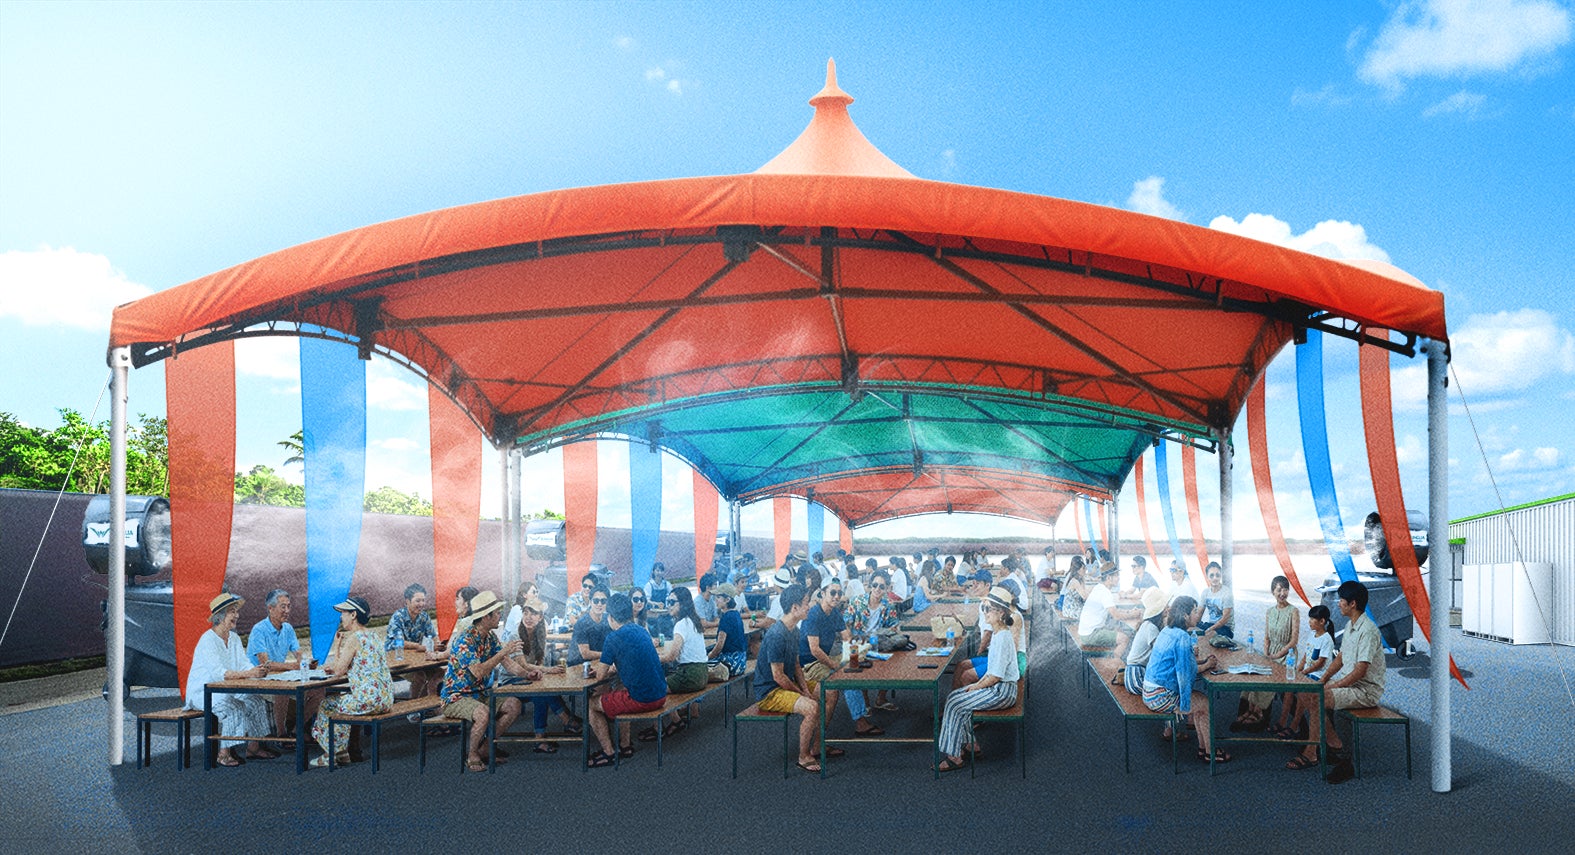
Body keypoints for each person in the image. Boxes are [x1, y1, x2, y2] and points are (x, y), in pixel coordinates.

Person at [1288, 581, 1385, 783]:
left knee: (1318, 697)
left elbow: (1360, 671)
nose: (1338, 603)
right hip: (1350, 684)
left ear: (1352, 603)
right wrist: (1323, 680)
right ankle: (1334, 742)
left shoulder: (1368, 631)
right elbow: (1340, 658)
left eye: (1341, 600)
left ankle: (1311, 753)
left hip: (1365, 690)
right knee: (1306, 691)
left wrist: (1332, 685)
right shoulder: (1351, 625)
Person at [438, 590, 528, 772]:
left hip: (480, 694)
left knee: (514, 705)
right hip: (456, 696)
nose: (499, 616)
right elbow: (478, 672)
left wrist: (528, 674)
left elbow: (509, 664)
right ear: (486, 617)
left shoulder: (490, 637)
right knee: (483, 713)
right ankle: (472, 755)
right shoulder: (465, 640)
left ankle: (485, 748)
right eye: (497, 613)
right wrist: (503, 652)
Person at [936, 586, 1021, 772]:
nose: (985, 612)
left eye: (988, 609)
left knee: (956, 702)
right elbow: (992, 673)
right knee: (956, 698)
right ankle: (970, 744)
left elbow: (995, 676)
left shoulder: (1003, 637)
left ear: (1001, 613)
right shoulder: (999, 633)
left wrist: (975, 687)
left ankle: (955, 756)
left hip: (1003, 692)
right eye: (984, 608)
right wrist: (976, 686)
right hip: (999, 687)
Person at [184, 592, 275, 766]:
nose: (237, 615)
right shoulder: (207, 640)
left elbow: (243, 664)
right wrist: (249, 674)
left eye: (236, 611)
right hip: (204, 692)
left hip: (226, 689)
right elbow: (219, 673)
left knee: (256, 701)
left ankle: (253, 747)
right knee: (235, 707)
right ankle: (223, 753)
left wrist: (256, 670)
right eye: (232, 612)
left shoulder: (234, 638)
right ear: (219, 617)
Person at [309, 596, 394, 768]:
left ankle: (330, 754)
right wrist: (339, 648)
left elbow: (338, 670)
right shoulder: (374, 636)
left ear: (353, 615)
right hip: (385, 699)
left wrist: (337, 647)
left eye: (344, 613)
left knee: (327, 705)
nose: (341, 617)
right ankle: (341, 753)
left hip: (369, 700)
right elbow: (346, 666)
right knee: (342, 704)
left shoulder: (354, 638)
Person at [1141, 596, 1228, 763]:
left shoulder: (1167, 630)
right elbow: (1184, 672)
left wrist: (1203, 663)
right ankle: (1210, 752)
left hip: (1150, 692)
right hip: (1160, 696)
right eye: (1195, 611)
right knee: (1205, 704)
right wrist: (1207, 665)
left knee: (1200, 704)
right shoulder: (1182, 637)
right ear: (1185, 615)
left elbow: (1183, 663)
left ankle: (1204, 749)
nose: (1198, 614)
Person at [586, 592, 669, 767]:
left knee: (591, 704)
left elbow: (600, 676)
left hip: (643, 700)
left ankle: (608, 753)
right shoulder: (642, 631)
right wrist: (615, 668)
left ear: (610, 617)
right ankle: (625, 745)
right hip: (661, 695)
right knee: (620, 690)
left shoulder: (612, 638)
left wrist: (605, 670)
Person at [752, 583, 824, 773]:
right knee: (812, 707)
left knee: (828, 691)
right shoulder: (777, 634)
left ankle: (818, 744)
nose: (809, 606)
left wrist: (806, 689)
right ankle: (803, 756)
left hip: (784, 684)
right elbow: (778, 676)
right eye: (806, 603)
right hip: (769, 692)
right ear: (795, 607)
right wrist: (801, 693)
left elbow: (796, 665)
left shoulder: (794, 630)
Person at [506, 595, 579, 754]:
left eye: (533, 614)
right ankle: (563, 722)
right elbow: (522, 665)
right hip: (511, 680)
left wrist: (544, 671)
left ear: (540, 618)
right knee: (541, 691)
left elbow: (539, 663)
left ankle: (552, 730)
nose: (528, 617)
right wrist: (548, 670)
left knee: (545, 686)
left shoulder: (539, 634)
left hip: (529, 678)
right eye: (526, 613)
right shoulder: (515, 635)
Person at [245, 588, 319, 738]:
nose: (287, 611)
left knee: (318, 692)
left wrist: (307, 663)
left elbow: (298, 654)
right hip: (259, 678)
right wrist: (293, 666)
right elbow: (266, 664)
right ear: (270, 608)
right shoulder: (259, 630)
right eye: (283, 607)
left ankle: (297, 730)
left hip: (279, 677)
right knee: (283, 690)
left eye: (288, 606)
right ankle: (281, 735)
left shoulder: (288, 628)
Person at [642, 586, 710, 741]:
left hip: (690, 675)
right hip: (702, 673)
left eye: (672, 602)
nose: (669, 605)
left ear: (683, 604)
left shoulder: (681, 624)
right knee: (662, 680)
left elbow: (671, 657)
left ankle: (663, 726)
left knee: (654, 688)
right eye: (668, 601)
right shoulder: (693, 621)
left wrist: (652, 657)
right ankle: (674, 720)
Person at [1234, 575, 1301, 732]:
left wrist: (1277, 656)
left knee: (1274, 682)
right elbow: (1266, 637)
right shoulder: (1270, 612)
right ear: (1273, 592)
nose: (1282, 593)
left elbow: (1294, 640)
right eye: (1279, 590)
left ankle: (1264, 715)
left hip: (1287, 655)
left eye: (1285, 590)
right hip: (1271, 653)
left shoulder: (1294, 611)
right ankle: (1251, 710)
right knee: (1255, 674)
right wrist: (1266, 655)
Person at [1276, 604, 1336, 741]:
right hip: (1307, 673)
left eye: (1312, 619)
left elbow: (1320, 663)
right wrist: (1298, 670)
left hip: (1317, 675)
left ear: (1322, 621)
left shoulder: (1326, 639)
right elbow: (1305, 656)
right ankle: (1283, 722)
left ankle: (1294, 725)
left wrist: (1304, 672)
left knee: (1302, 692)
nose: (1309, 622)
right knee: (1287, 690)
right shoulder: (1312, 635)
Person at [952, 583, 1027, 690]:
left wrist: (978, 685)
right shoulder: (998, 621)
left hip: (1012, 660)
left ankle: (967, 697)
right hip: (999, 655)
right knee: (962, 665)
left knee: (967, 675)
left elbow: (1011, 651)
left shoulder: (1013, 618)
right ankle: (957, 693)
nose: (985, 612)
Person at [1123, 589, 1172, 739]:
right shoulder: (1151, 628)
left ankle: (1176, 726)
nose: (1169, 608)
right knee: (1168, 689)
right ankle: (1170, 730)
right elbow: (1162, 654)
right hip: (1137, 677)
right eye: (1166, 605)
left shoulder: (1148, 625)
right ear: (1161, 610)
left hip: (1132, 675)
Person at [1078, 561, 1140, 657]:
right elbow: (1116, 616)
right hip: (1091, 634)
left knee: (1117, 629)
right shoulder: (1105, 593)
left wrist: (1128, 611)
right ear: (1108, 578)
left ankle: (1112, 657)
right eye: (1116, 575)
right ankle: (1114, 663)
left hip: (1085, 631)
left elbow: (1113, 610)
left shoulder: (1099, 587)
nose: (1118, 578)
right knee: (1124, 639)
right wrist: (1134, 614)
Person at [706, 583, 749, 679]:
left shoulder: (726, 618)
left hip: (731, 663)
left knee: (699, 663)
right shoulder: (736, 614)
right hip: (741, 661)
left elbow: (719, 646)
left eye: (718, 597)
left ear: (727, 599)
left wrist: (708, 657)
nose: (715, 600)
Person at [569, 584, 610, 667]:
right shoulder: (582, 623)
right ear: (590, 602)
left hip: (599, 663)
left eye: (603, 601)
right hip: (579, 666)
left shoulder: (608, 619)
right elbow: (585, 654)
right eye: (596, 601)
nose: (599, 604)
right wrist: (610, 654)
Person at [1197, 562, 1234, 638]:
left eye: (1217, 575)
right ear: (1207, 577)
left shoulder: (1227, 593)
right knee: (1194, 629)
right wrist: (1193, 626)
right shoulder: (1205, 592)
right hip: (1211, 625)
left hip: (1225, 628)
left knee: (1210, 635)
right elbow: (1199, 613)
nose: (1215, 578)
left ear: (1220, 576)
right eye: (1212, 575)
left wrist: (1209, 630)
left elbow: (1225, 618)